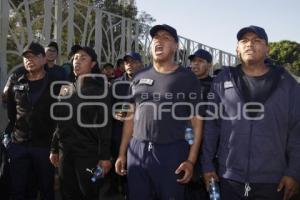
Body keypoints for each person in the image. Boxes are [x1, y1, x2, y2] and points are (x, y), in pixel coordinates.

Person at [201, 25, 300, 200]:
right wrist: (207, 166)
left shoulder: (287, 83)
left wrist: (294, 172)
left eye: (257, 41)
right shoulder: (222, 79)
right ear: (237, 49)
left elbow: (296, 130)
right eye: (244, 41)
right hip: (229, 178)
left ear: (267, 48)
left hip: (273, 181)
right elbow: (211, 126)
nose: (249, 45)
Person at [115, 24, 204, 200]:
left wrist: (191, 160)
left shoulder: (187, 78)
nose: (159, 41)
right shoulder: (139, 76)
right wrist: (122, 153)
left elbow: (197, 123)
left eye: (166, 38)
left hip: (171, 153)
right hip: (137, 150)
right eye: (156, 38)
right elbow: (130, 118)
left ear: (176, 46)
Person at [49, 46, 112, 200]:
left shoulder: (101, 90)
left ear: (92, 64)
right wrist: (54, 148)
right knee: (67, 193)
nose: (77, 61)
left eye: (83, 58)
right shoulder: (65, 88)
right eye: (76, 58)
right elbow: (59, 121)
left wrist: (105, 157)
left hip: (88, 154)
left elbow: (106, 127)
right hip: (65, 153)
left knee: (88, 193)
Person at [3, 42, 57, 200]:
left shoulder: (55, 82)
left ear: (44, 59)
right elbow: (12, 112)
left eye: (34, 56)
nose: (29, 60)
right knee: (18, 188)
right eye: (26, 57)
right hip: (19, 144)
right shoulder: (17, 81)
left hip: (44, 146)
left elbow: (60, 117)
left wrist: (55, 147)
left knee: (46, 188)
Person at [109, 51, 143, 196]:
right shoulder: (116, 83)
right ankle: (121, 189)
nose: (129, 64)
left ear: (141, 64)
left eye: (133, 61)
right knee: (120, 165)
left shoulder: (148, 82)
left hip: (140, 135)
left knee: (136, 170)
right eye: (127, 62)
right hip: (119, 131)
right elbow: (108, 106)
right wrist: (114, 114)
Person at [185, 49, 214, 200]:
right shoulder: (182, 82)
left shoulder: (216, 86)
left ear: (209, 65)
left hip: (207, 145)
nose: (195, 64)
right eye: (193, 61)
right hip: (182, 141)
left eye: (200, 61)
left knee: (202, 186)